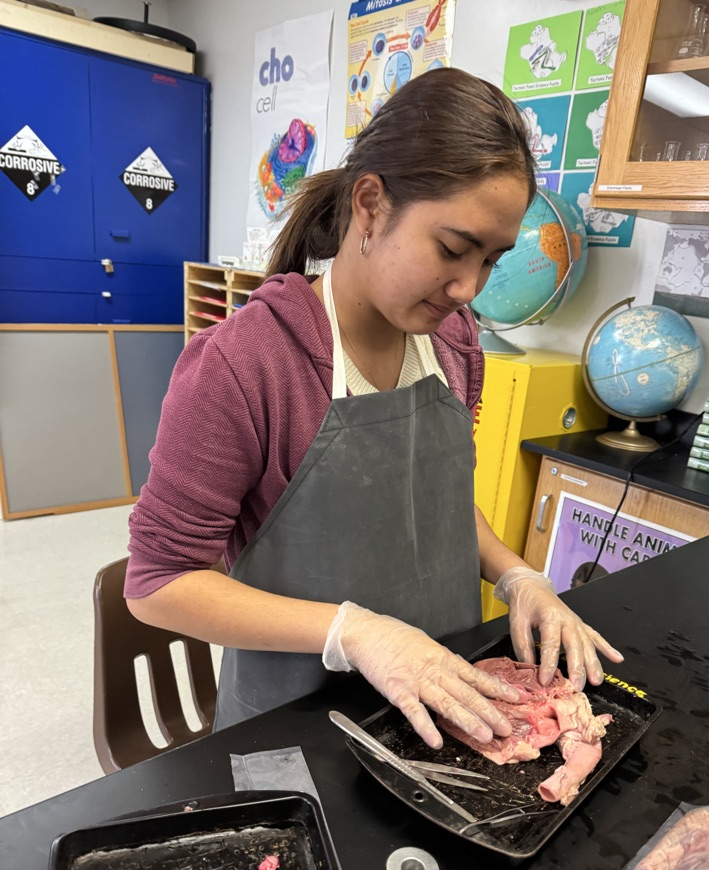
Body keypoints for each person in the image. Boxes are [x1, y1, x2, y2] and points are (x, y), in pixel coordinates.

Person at [125, 68, 623, 748]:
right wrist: (353, 632)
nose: (467, 287)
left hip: (445, 712)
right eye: (452, 248)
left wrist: (516, 575)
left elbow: (438, 502)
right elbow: (159, 584)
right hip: (299, 730)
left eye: (492, 261)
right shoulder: (244, 367)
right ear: (369, 204)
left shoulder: (452, 343)